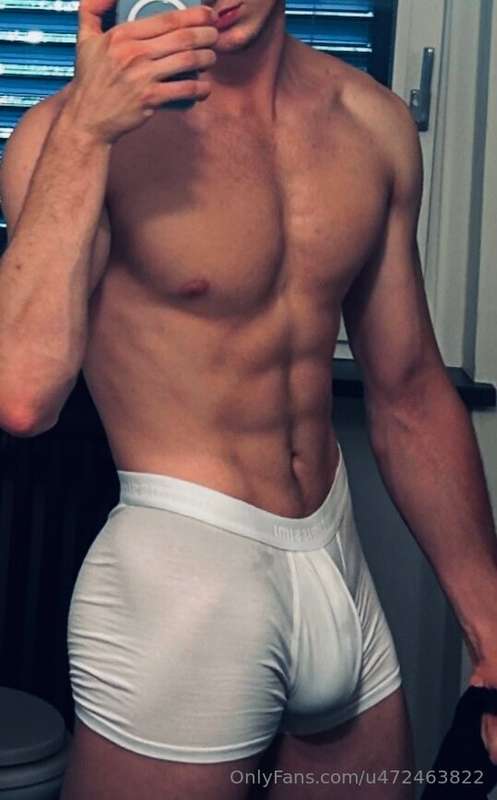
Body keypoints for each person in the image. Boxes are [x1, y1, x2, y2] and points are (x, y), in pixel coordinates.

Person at [1, 0, 497, 796]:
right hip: (182, 582)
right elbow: (21, 395)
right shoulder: (69, 134)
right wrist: (87, 133)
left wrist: (491, 629)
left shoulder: (369, 122)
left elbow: (407, 391)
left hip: (337, 569)